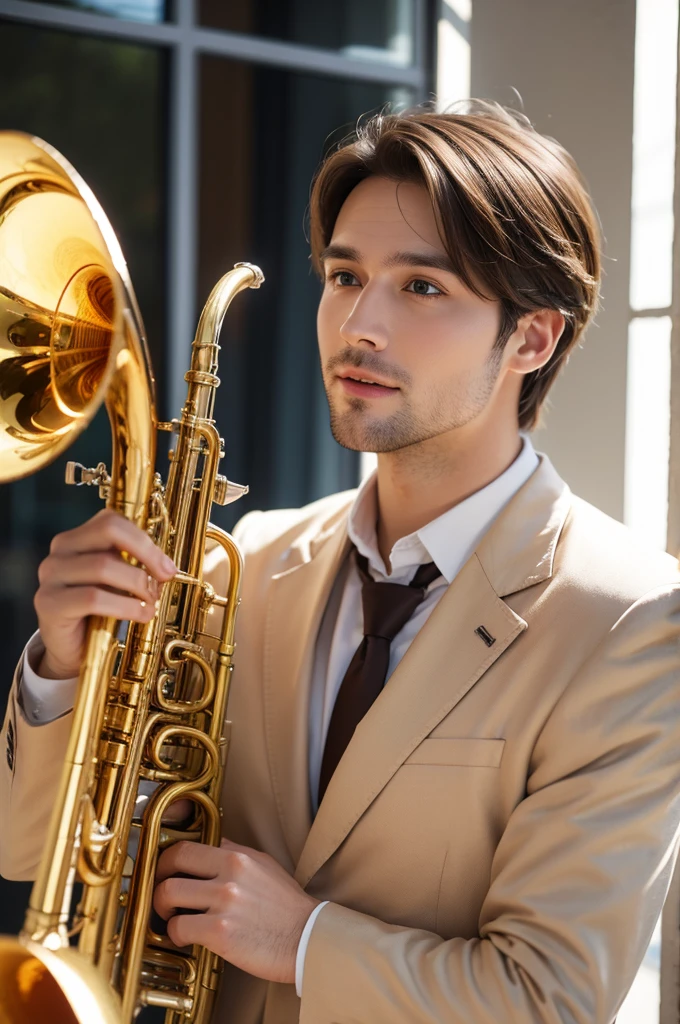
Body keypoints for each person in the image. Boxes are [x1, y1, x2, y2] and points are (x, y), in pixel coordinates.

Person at [2, 99, 680, 1024]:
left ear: (532, 337)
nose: (360, 324)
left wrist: (302, 940)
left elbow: (551, 999)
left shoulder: (634, 620)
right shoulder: (244, 561)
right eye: (345, 275)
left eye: (423, 288)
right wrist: (63, 671)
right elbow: (29, 852)